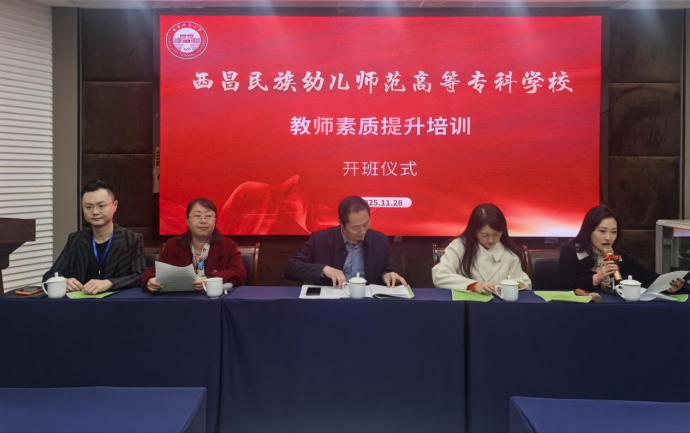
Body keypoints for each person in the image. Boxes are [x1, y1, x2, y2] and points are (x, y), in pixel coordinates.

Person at [43, 180, 145, 294]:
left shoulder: (131, 239)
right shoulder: (75, 239)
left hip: (116, 302)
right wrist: (63, 281)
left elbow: (139, 276)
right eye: (88, 207)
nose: (95, 212)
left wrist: (110, 283)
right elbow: (50, 276)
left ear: (115, 206)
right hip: (81, 302)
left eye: (101, 206)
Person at [556, 204, 685, 293]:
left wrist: (668, 286)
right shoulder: (571, 250)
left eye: (613, 232)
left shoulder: (621, 254)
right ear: (588, 231)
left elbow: (648, 278)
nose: (608, 237)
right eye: (602, 231)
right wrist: (597, 278)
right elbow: (563, 286)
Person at [284, 196, 407, 288]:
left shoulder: (379, 240)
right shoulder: (320, 240)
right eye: (356, 227)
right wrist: (324, 269)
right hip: (332, 303)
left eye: (366, 224)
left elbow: (386, 269)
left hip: (367, 303)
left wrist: (387, 275)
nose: (363, 231)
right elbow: (291, 269)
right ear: (341, 224)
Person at [142, 198, 246, 292]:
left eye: (208, 216)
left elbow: (238, 273)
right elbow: (154, 271)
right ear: (187, 220)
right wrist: (150, 280)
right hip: (180, 301)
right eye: (197, 216)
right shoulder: (173, 245)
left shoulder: (227, 245)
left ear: (215, 220)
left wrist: (210, 279)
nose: (203, 221)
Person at [432, 204, 531, 293]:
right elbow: (440, 275)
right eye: (485, 235)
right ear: (474, 231)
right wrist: (474, 285)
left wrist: (514, 285)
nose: (491, 240)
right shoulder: (459, 246)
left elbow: (524, 282)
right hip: (465, 304)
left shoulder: (509, 251)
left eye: (496, 234)